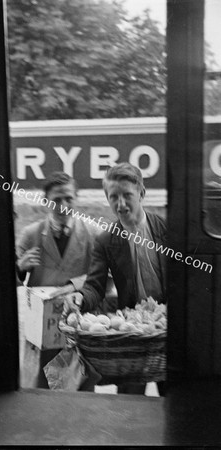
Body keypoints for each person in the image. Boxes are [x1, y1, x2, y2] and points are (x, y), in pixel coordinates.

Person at [64, 162, 167, 395]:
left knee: (175, 400)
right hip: (133, 331)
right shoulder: (105, 241)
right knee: (129, 404)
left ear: (141, 193)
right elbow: (95, 286)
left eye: (127, 195)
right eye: (113, 197)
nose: (120, 204)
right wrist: (79, 297)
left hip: (168, 332)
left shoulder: (166, 229)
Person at [16, 171, 100, 388]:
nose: (63, 205)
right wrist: (19, 267)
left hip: (78, 325)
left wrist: (74, 285)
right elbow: (6, 280)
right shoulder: (30, 234)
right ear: (45, 202)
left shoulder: (92, 234)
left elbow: (106, 275)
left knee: (80, 392)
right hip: (42, 330)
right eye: (56, 200)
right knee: (42, 390)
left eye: (69, 198)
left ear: (77, 198)